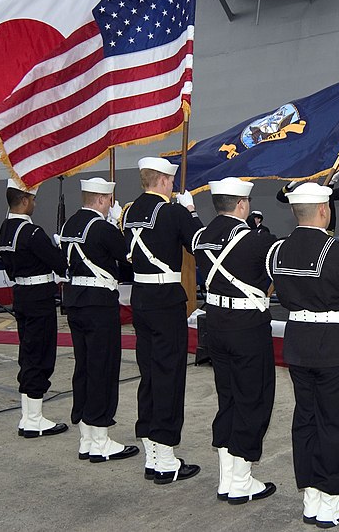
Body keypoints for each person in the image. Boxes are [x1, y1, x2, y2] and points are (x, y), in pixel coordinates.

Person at [267, 182, 339, 527]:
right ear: (325, 210)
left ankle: (311, 497)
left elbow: (283, 297)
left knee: (307, 420)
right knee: (336, 422)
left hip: (298, 345)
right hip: (334, 347)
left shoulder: (278, 251)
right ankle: (330, 501)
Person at [192, 177, 277, 505]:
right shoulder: (258, 241)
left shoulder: (201, 239)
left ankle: (228, 478)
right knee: (252, 399)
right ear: (242, 204)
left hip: (215, 326)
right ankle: (241, 481)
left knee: (228, 398)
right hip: (247, 328)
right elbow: (274, 277)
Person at [121, 156, 202, 485]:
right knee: (169, 375)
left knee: (150, 374)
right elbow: (202, 245)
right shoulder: (172, 212)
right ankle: (166, 459)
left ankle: (152, 453)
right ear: (165, 181)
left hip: (140, 300)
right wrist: (191, 212)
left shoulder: (128, 214)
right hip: (167, 301)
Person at [60, 177, 139, 463]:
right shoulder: (103, 227)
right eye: (109, 203)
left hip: (76, 301)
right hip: (99, 304)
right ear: (103, 200)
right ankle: (101, 440)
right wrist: (123, 221)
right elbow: (130, 254)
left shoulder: (69, 225)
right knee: (103, 368)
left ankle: (86, 438)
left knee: (84, 367)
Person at [0, 179, 68, 439]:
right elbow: (60, 264)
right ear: (24, 200)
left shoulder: (2, 231)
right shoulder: (32, 233)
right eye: (33, 199)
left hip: (21, 295)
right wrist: (60, 246)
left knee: (27, 354)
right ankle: (34, 419)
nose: (35, 204)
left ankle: (28, 416)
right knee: (41, 355)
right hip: (39, 298)